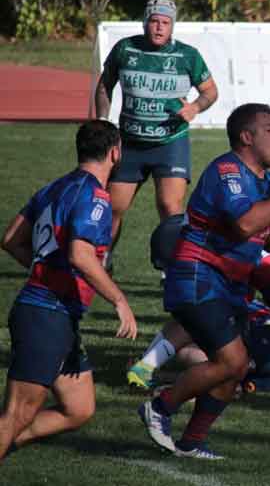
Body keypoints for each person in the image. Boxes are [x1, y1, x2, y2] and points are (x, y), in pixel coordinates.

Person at [137, 103, 270, 460]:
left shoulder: (266, 182)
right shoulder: (228, 171)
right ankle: (160, 406)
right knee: (231, 361)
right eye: (269, 129)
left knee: (234, 369)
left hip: (229, 286)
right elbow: (245, 225)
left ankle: (193, 441)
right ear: (246, 137)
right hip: (198, 278)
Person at [0, 120, 138, 460]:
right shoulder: (95, 196)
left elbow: (10, 239)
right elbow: (81, 254)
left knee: (78, 407)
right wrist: (119, 300)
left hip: (56, 314)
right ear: (115, 153)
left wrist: (45, 269)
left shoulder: (54, 187)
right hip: (46, 314)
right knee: (18, 413)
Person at [94, 0, 218, 272]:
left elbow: (211, 91)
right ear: (145, 22)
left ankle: (171, 269)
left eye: (165, 22)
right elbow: (105, 85)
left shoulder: (188, 55)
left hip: (170, 143)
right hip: (129, 143)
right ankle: (103, 259)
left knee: (170, 208)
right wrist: (103, 120)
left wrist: (195, 107)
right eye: (154, 21)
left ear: (172, 26)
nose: (159, 28)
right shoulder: (125, 49)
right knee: (113, 207)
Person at [127, 231, 270, 389]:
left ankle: (146, 366)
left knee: (201, 316)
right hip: (195, 254)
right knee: (205, 316)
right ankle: (147, 370)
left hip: (184, 237)